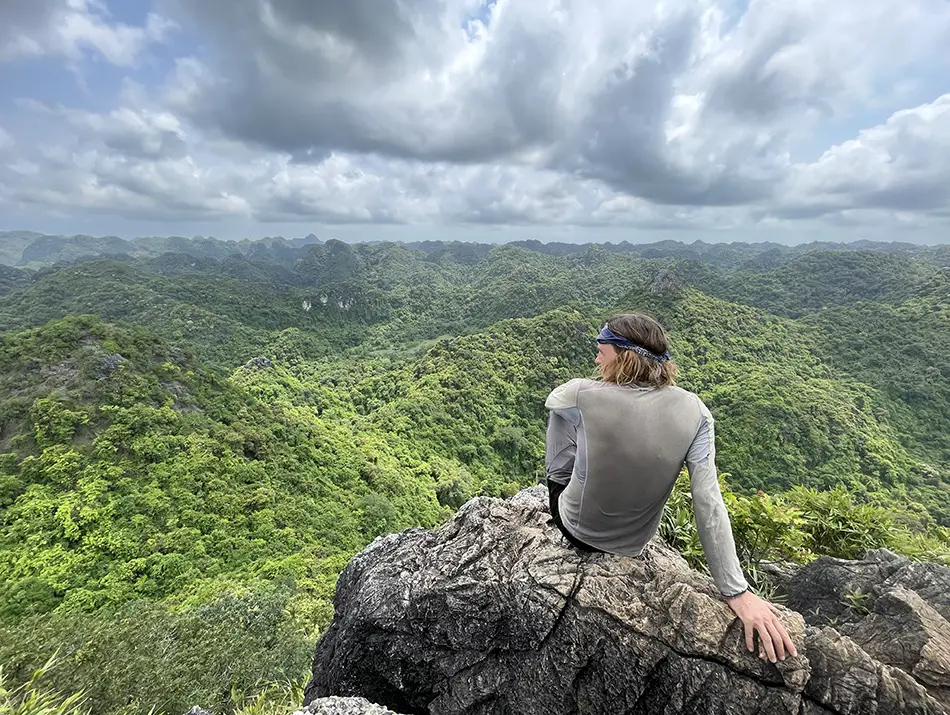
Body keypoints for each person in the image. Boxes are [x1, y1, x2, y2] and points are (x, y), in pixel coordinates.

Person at [544, 313, 797, 664]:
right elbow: (708, 501)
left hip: (575, 528)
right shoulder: (696, 411)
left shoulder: (579, 393)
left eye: (602, 349)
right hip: (635, 542)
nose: (596, 356)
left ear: (624, 355)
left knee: (563, 428)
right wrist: (736, 591)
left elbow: (553, 402)